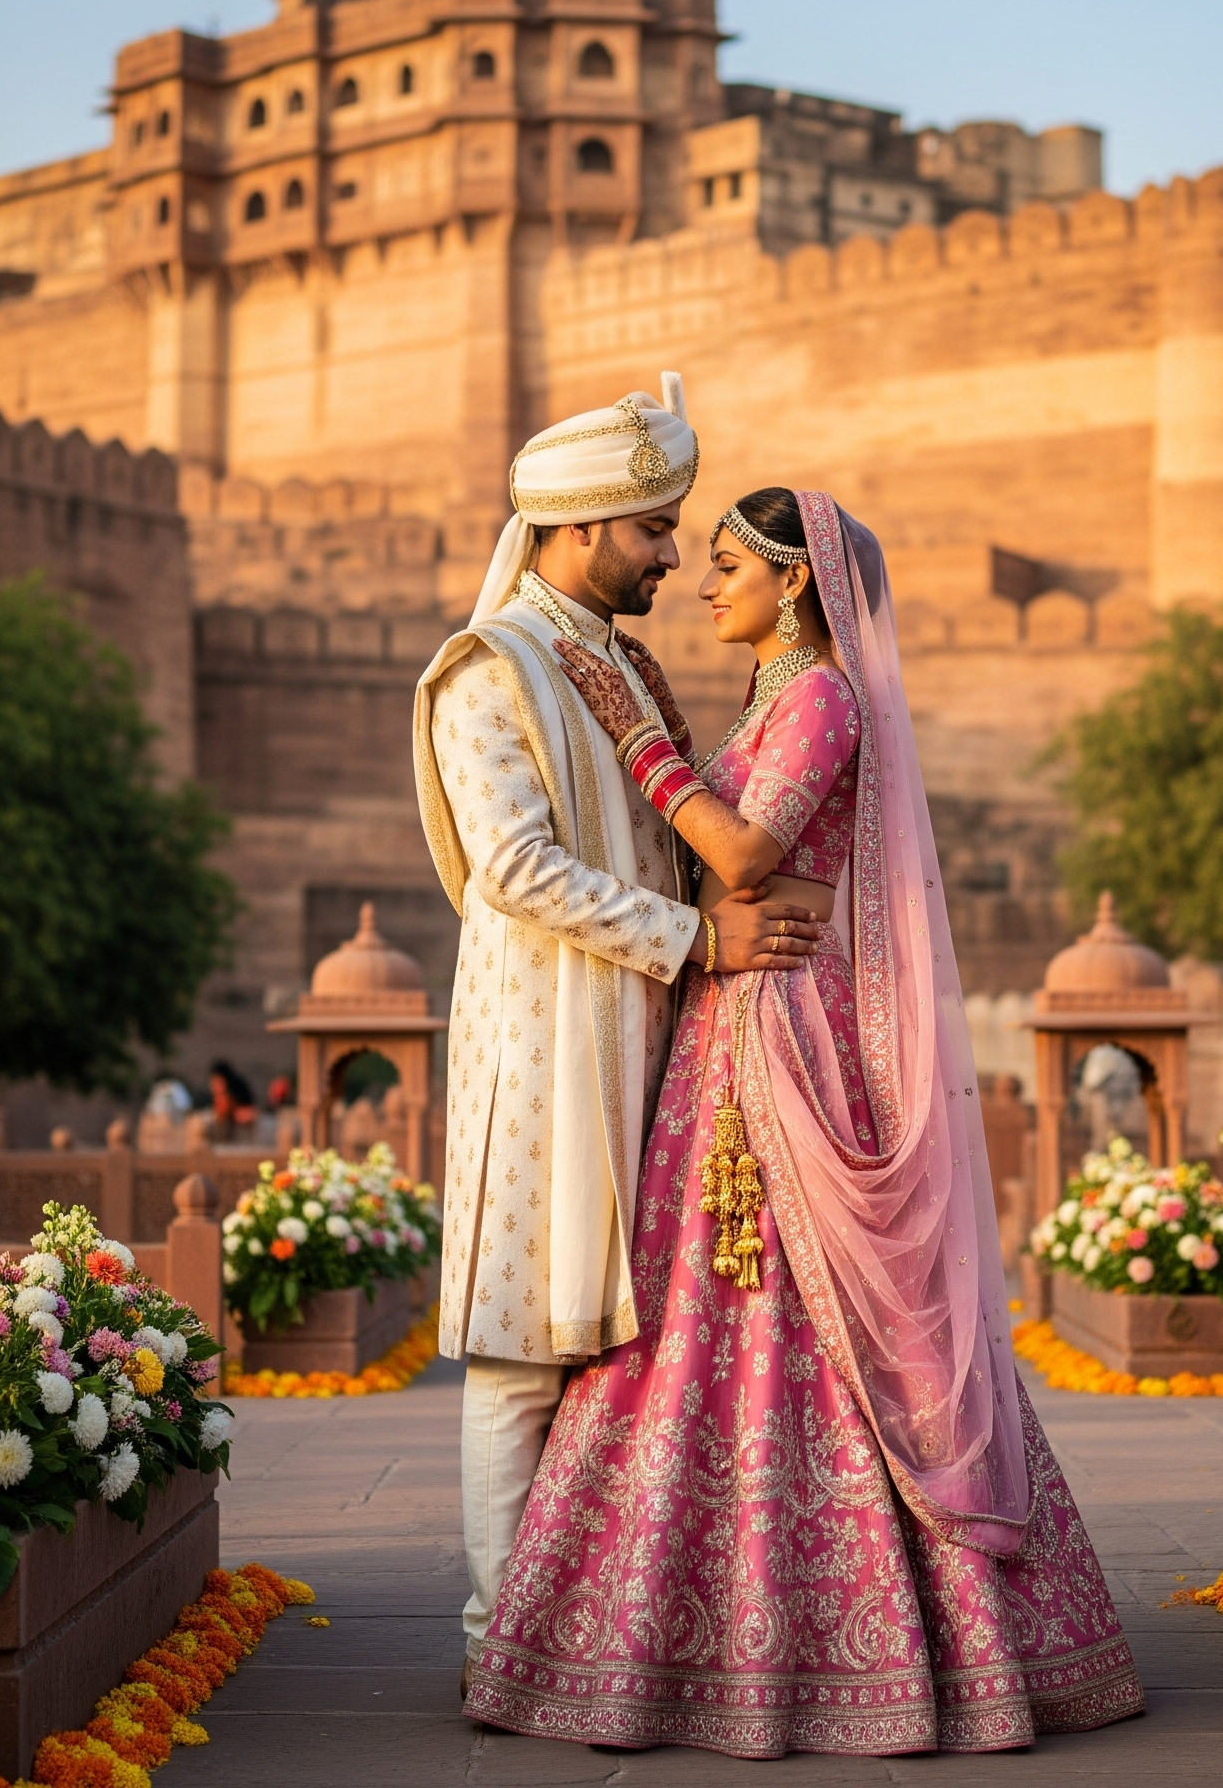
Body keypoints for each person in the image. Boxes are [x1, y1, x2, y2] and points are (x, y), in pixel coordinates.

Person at [462, 488, 1144, 1757]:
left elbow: (744, 852)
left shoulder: (822, 693)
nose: (701, 579)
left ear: (793, 581)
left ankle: (842, 1635)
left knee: (789, 1297)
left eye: (727, 562)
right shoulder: (768, 701)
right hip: (729, 1018)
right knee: (716, 1306)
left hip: (779, 1030)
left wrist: (638, 739)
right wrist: (666, 736)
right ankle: (704, 1628)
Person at [413, 379, 825, 1689]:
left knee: (626, 1359)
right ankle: (499, 1643)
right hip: (545, 1048)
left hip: (658, 1042)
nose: (668, 555)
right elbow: (512, 869)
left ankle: (600, 1631)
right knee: (523, 1354)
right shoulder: (491, 668)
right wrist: (700, 938)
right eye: (653, 530)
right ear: (582, 525)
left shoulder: (621, 665)